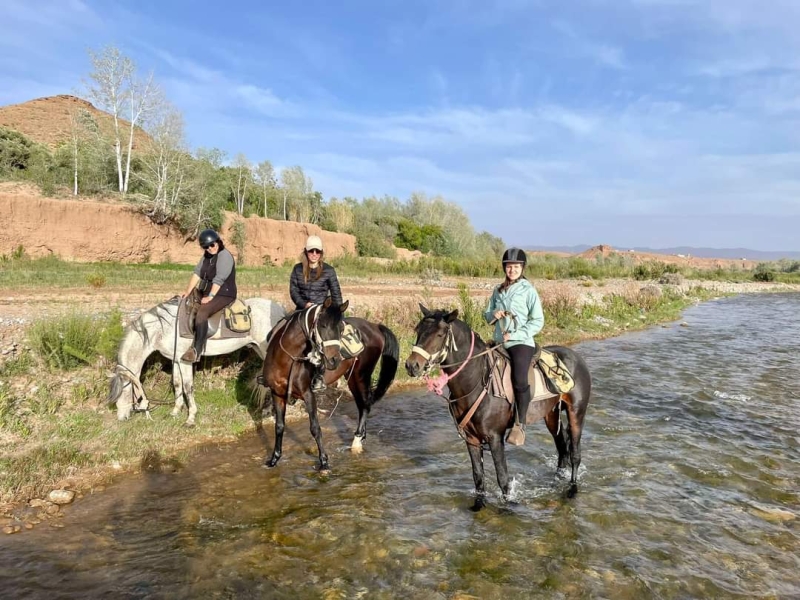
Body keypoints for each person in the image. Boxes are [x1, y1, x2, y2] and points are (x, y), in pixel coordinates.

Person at [483, 247, 544, 446]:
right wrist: (494, 315)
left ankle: (520, 424)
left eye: (516, 267)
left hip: (520, 342)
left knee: (519, 378)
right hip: (499, 341)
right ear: (504, 268)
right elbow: (486, 314)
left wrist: (516, 334)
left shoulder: (529, 290)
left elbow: (537, 321)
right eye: (509, 267)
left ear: (522, 268)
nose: (512, 270)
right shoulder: (497, 290)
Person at [289, 235, 343, 392]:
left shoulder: (329, 271)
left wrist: (337, 316)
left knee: (324, 341)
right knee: (278, 330)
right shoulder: (297, 269)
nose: (314, 254)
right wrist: (304, 304)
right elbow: (293, 290)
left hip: (321, 313)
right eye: (311, 251)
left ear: (321, 253)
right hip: (302, 310)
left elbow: (336, 295)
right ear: (306, 252)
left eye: (317, 251)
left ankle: (319, 376)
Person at [180, 229, 237, 363]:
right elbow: (197, 273)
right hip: (206, 291)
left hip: (224, 293)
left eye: (212, 244)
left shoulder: (225, 256)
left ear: (218, 242)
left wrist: (210, 297)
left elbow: (219, 279)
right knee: (183, 304)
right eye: (206, 247)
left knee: (202, 313)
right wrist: (187, 291)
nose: (210, 248)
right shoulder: (206, 256)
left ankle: (196, 350)